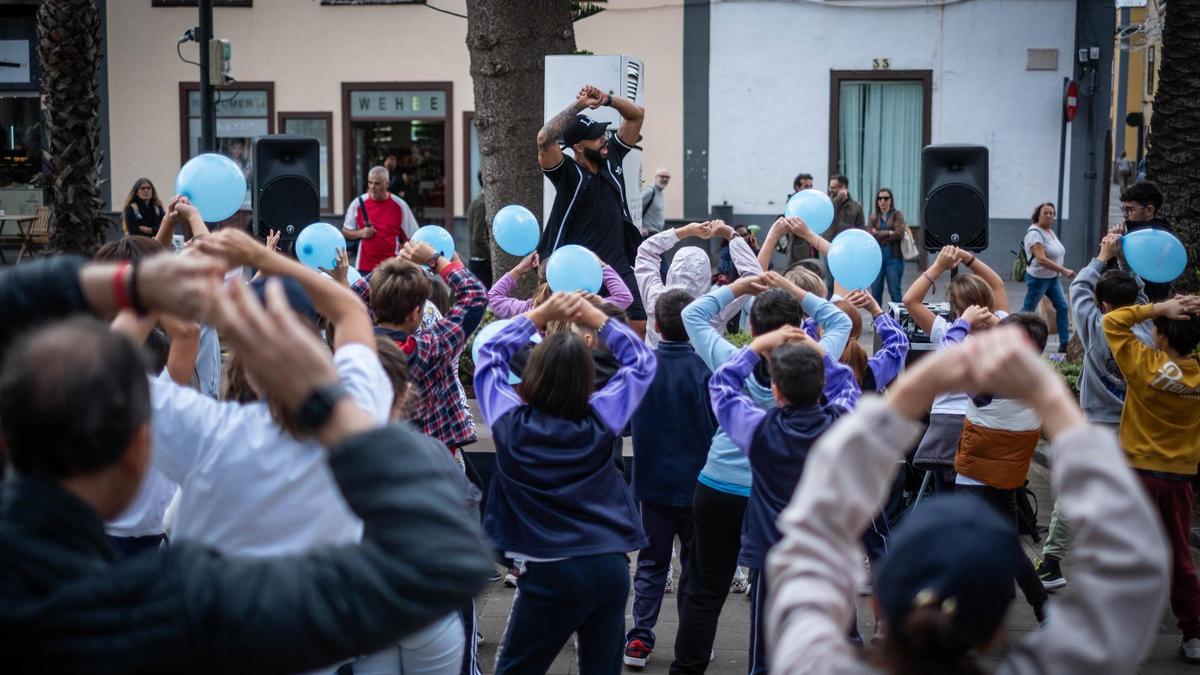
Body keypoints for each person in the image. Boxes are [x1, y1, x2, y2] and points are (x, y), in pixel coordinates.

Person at [0, 255, 495, 672]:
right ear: (135, 451)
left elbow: (102, 375)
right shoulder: (188, 604)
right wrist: (323, 404)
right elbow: (448, 560)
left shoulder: (207, 439)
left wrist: (135, 289)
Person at [766, 327, 1169, 675]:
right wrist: (1052, 400)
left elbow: (807, 543)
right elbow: (1137, 567)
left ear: (877, 607)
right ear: (994, 633)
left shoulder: (810, 660)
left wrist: (911, 392)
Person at [671, 271, 851, 673]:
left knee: (705, 590)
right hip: (784, 495)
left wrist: (738, 289)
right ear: (799, 327)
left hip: (720, 487)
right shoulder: (815, 362)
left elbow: (692, 315)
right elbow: (841, 321)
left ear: (752, 330)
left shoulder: (730, 359)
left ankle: (687, 668)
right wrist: (795, 291)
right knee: (774, 593)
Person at [474, 292, 656, 674]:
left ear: (531, 376)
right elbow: (642, 362)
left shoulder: (509, 425)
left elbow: (488, 352)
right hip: (609, 564)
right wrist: (599, 318)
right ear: (588, 378)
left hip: (551, 569)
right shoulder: (602, 418)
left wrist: (539, 314)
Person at [710, 322, 860, 674]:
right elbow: (848, 385)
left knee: (766, 653)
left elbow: (721, 386)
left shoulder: (760, 430)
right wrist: (818, 349)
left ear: (775, 392)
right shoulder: (842, 423)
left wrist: (756, 346)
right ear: (821, 387)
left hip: (773, 556)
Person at [1036, 233, 1152, 591]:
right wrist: (1129, 262)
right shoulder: (1147, 329)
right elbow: (1141, 298)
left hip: (1097, 426)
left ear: (1103, 305)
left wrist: (1102, 256)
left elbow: (1079, 289)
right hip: (1136, 428)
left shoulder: (1097, 327)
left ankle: (1051, 564)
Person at [1104, 293, 1200, 662]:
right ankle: (1193, 634)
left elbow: (1112, 321)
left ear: (1160, 337)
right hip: (1180, 479)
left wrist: (1158, 308)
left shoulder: (1142, 363)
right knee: (1180, 556)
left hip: (1137, 476)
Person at [624, 289, 716, 668]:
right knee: (695, 566)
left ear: (656, 326)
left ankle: (639, 638)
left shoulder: (640, 369)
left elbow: (623, 423)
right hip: (699, 484)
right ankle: (691, 641)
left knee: (650, 563)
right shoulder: (706, 369)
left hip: (652, 485)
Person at [950, 313, 1051, 623]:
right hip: (1008, 479)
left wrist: (963, 322)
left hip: (974, 476)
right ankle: (1040, 604)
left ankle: (967, 611)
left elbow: (950, 352)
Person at [537, 84, 648, 333]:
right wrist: (579, 105)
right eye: (597, 137)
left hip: (616, 265)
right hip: (579, 269)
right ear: (578, 147)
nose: (604, 139)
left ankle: (626, 360)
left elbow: (636, 116)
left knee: (638, 322)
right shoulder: (567, 173)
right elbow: (544, 138)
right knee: (576, 331)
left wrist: (607, 99)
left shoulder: (612, 157)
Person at [903, 246, 1010, 492]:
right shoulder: (1004, 330)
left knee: (946, 496)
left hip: (947, 427)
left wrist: (938, 266)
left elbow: (910, 300)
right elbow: (997, 284)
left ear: (956, 308)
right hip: (989, 426)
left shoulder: (949, 333)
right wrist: (967, 257)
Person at [367, 240, 487, 456]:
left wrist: (393, 268)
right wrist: (435, 260)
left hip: (375, 460)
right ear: (416, 313)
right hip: (430, 460)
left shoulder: (355, 347)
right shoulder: (430, 348)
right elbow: (475, 296)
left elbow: (350, 297)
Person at [636, 219, 761, 348]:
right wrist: (730, 234)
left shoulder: (655, 301)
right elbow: (754, 279)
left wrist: (686, 231)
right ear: (706, 275)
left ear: (672, 270)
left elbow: (646, 251)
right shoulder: (713, 311)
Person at [488, 251, 632, 320]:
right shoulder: (585, 310)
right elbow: (625, 297)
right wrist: (600, 265)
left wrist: (519, 270)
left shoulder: (529, 310)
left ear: (540, 281)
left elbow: (492, 297)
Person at [343, 165, 419, 275]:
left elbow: (414, 235)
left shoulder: (399, 205)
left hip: (392, 266)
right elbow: (346, 230)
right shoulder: (358, 203)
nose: (372, 187)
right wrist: (360, 233)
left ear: (387, 183)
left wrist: (404, 253)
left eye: (377, 183)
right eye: (370, 182)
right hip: (365, 266)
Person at [1020, 202, 1073, 352]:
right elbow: (1041, 259)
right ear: (1038, 215)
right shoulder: (1035, 233)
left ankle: (1064, 344)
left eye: (1051, 213)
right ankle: (1012, 335)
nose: (1049, 216)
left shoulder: (1049, 231)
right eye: (1045, 213)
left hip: (1052, 278)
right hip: (1038, 278)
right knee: (1027, 311)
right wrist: (1063, 270)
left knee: (1062, 307)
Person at [1118, 180, 1175, 301]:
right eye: (1124, 209)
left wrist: (1116, 249)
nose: (1125, 215)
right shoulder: (1156, 233)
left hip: (1142, 302)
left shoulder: (1149, 239)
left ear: (1149, 210)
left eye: (1130, 209)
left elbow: (1122, 275)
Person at [867, 187, 908, 306]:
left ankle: (897, 316)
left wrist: (879, 234)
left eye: (886, 198)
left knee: (895, 291)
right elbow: (870, 235)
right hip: (876, 258)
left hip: (894, 257)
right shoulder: (873, 216)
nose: (882, 201)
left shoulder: (897, 214)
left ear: (891, 200)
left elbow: (899, 234)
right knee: (876, 291)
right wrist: (888, 232)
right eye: (880, 198)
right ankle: (877, 316)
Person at [783, 173, 816, 268]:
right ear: (797, 187)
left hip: (811, 243)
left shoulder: (812, 201)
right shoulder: (793, 202)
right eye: (806, 186)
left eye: (811, 186)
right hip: (797, 244)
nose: (809, 189)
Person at [466, 171, 492, 288]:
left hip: (480, 261)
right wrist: (492, 256)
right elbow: (478, 237)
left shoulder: (479, 201)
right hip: (481, 262)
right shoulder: (482, 203)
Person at [641, 167, 671, 237]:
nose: (665, 179)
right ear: (656, 177)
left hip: (656, 232)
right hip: (647, 233)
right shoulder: (650, 191)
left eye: (667, 177)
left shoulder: (659, 192)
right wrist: (640, 227)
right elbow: (635, 209)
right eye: (662, 176)